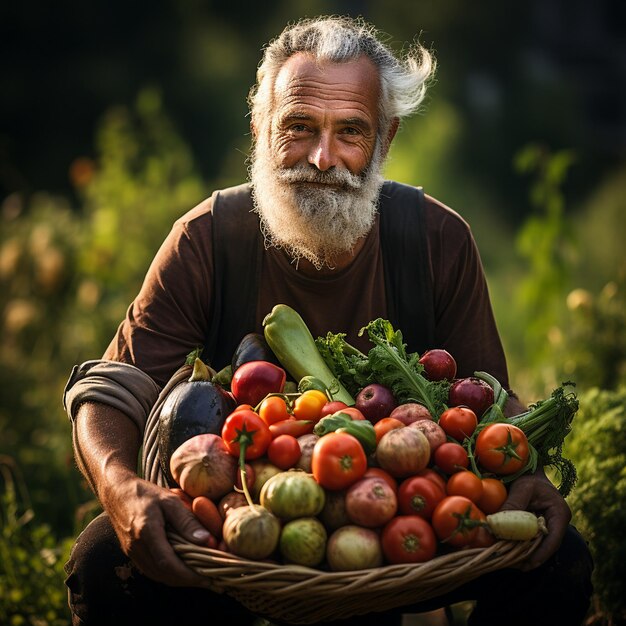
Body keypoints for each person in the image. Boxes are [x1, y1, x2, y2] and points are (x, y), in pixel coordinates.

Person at [63, 15, 593, 626]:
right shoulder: (209, 240)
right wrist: (122, 487)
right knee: (105, 559)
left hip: (404, 531)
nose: (323, 157)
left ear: (385, 140)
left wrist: (522, 475)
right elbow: (108, 390)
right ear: (261, 129)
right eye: (299, 127)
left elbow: (493, 414)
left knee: (559, 562)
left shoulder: (436, 241)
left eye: (351, 132)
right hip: (235, 542)